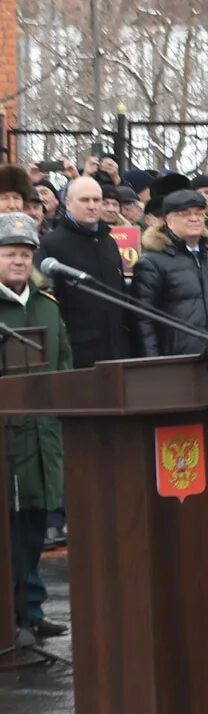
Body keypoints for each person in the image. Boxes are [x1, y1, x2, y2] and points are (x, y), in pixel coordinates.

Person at [0, 213, 70, 642]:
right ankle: (12, 612)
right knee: (10, 528)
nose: (19, 261)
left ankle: (31, 610)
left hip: (43, 436)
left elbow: (64, 364)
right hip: (8, 439)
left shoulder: (46, 305)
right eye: (9, 254)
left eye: (25, 254)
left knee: (32, 528)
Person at [35, 174, 137, 370]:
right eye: (84, 200)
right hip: (78, 354)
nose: (92, 206)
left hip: (117, 351)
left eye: (96, 200)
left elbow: (121, 295)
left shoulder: (109, 242)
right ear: (68, 203)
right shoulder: (50, 244)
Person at [130, 187, 208, 357]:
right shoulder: (152, 262)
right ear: (169, 220)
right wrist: (152, 362)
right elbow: (143, 321)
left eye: (199, 213)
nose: (194, 219)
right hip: (176, 361)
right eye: (185, 214)